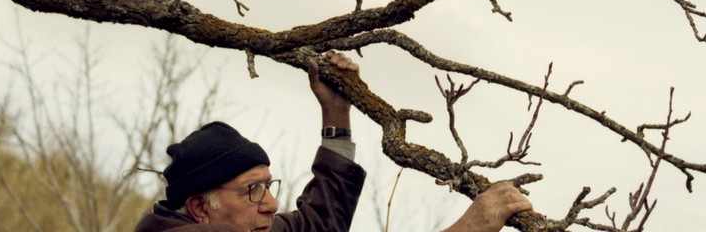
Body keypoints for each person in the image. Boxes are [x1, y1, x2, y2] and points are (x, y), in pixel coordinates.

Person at [133, 51, 532, 232]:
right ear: (201, 207)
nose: (270, 204)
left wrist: (336, 114)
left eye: (268, 186)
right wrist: (470, 227)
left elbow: (318, 224)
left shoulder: (239, 225)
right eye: (252, 190)